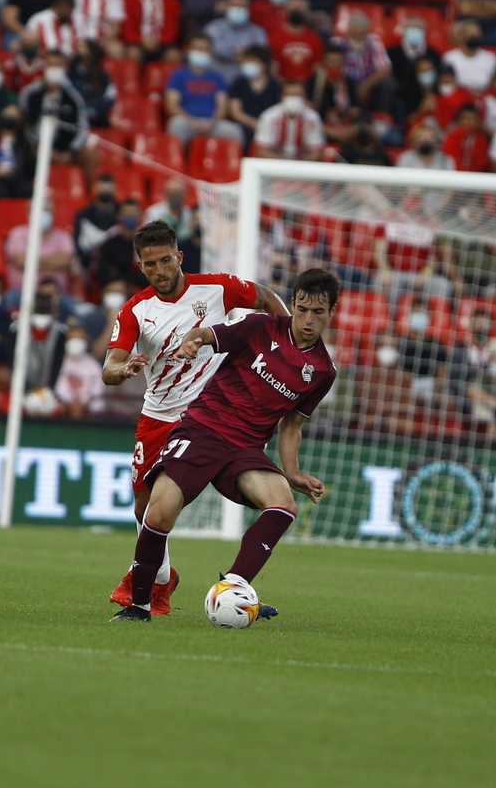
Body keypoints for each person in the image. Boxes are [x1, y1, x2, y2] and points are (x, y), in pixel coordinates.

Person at [109, 266, 337, 622]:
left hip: (246, 451)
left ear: (330, 314)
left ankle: (233, 587)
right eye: (302, 309)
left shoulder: (323, 370)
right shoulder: (261, 327)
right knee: (158, 512)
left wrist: (292, 472)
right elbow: (208, 333)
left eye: (318, 313)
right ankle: (140, 606)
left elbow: (293, 424)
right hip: (203, 430)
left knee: (283, 505)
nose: (308, 319)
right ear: (293, 304)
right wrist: (193, 340)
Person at [102, 220, 290, 614]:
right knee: (145, 510)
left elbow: (267, 299)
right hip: (158, 416)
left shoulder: (217, 288)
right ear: (141, 266)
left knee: (257, 496)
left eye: (165, 260)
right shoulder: (136, 309)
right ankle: (162, 578)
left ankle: (237, 590)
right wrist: (125, 370)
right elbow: (109, 368)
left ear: (179, 256)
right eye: (150, 265)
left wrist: (285, 344)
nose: (160, 271)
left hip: (214, 417)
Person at [165, 35, 241, 147]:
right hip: (187, 121)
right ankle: (176, 161)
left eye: (205, 50)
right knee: (177, 124)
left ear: (210, 53)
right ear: (189, 50)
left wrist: (212, 123)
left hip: (212, 122)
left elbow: (222, 106)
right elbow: (172, 106)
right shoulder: (178, 75)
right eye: (198, 49)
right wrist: (192, 122)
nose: (202, 53)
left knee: (233, 131)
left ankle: (227, 162)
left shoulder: (217, 77)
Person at [254, 78, 326, 161]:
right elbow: (262, 150)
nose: (293, 99)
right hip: (274, 165)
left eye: (297, 95)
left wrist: (297, 166)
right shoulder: (269, 116)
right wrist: (284, 165)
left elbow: (316, 153)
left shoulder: (313, 118)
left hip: (303, 167)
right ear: (281, 97)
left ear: (304, 97)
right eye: (289, 95)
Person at [54, 321, 104, 418]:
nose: (75, 342)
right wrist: (69, 402)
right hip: (61, 414)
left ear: (87, 341)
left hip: (88, 417)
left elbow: (98, 399)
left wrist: (84, 405)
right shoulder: (58, 362)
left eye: (80, 339)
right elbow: (57, 388)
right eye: (72, 339)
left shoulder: (94, 367)